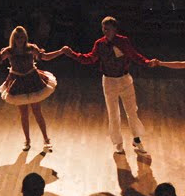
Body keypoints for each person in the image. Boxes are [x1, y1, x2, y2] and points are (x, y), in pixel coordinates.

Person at [65, 16, 157, 155]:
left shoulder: (123, 42)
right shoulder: (99, 44)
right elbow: (90, 58)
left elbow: (134, 55)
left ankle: (137, 139)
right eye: (103, 28)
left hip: (125, 80)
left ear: (115, 29)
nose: (105, 31)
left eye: (108, 28)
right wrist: (72, 55)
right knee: (113, 114)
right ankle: (118, 142)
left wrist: (146, 62)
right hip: (109, 81)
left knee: (132, 111)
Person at [0, 26, 65, 152]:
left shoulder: (31, 48)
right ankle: (27, 140)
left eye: (22, 37)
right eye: (17, 37)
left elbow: (45, 57)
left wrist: (61, 51)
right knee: (24, 114)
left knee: (37, 111)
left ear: (25, 38)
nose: (20, 40)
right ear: (13, 39)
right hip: (18, 81)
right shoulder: (9, 51)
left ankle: (46, 139)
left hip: (32, 79)